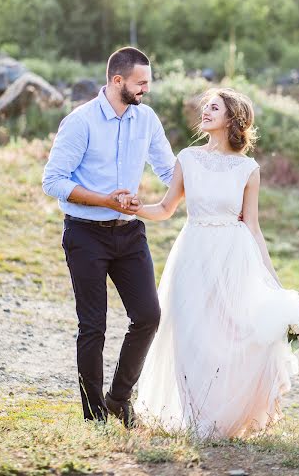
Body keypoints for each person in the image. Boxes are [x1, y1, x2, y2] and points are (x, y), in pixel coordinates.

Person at [120, 88, 299, 438]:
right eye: (205, 106)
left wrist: (272, 280)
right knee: (187, 333)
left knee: (224, 335)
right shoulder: (188, 158)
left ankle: (218, 419)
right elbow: (165, 209)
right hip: (192, 252)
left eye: (214, 107)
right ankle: (193, 420)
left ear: (232, 119)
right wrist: (133, 209)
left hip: (232, 257)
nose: (204, 111)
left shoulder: (248, 169)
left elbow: (252, 226)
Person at [42, 47, 176, 425]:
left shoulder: (146, 119)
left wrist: (210, 186)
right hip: (85, 234)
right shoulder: (80, 121)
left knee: (148, 315)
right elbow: (53, 182)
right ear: (117, 81)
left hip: (130, 233)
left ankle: (119, 397)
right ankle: (94, 415)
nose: (146, 89)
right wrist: (105, 200)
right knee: (93, 326)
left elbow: (169, 172)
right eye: (141, 83)